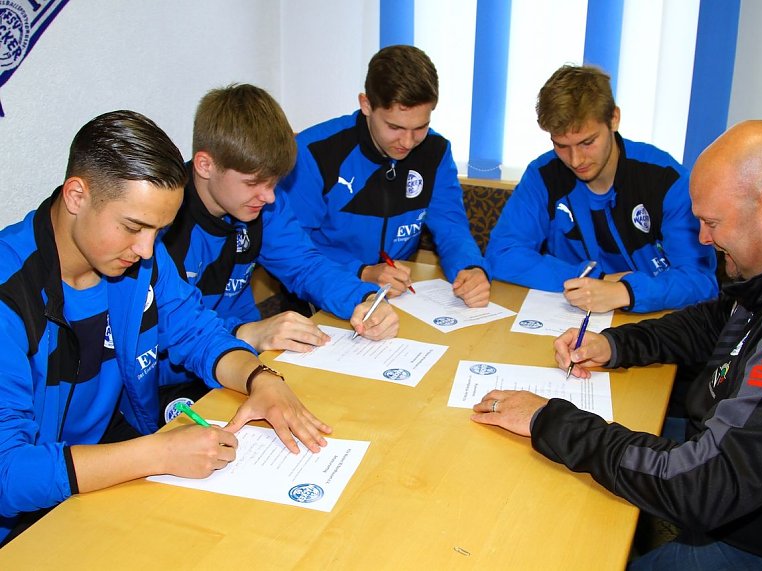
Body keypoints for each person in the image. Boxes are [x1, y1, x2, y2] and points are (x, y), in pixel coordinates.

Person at [471, 120, 762, 570]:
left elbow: (703, 484)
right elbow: (719, 319)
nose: (704, 239)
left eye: (712, 223)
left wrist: (546, 419)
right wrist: (617, 344)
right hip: (739, 466)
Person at [0, 111, 332, 545]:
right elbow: (9, 474)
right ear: (77, 195)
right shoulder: (11, 295)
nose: (144, 250)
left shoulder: (137, 260)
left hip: (107, 472)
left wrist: (259, 378)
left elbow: (196, 331)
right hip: (29, 521)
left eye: (159, 231)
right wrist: (158, 453)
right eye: (133, 227)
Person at [159, 84, 399, 413]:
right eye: (253, 183)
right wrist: (246, 332)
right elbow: (164, 337)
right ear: (205, 165)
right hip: (175, 379)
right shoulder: (161, 226)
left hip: (250, 361)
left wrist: (363, 299)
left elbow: (304, 264)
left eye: (273, 182)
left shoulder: (260, 205)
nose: (269, 196)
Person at [485, 65, 717, 313]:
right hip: (570, 318)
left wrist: (626, 291)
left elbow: (701, 281)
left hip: (652, 320)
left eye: (587, 142)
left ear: (613, 119)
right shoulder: (543, 175)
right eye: (561, 145)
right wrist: (595, 279)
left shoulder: (665, 179)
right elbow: (503, 253)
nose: (575, 160)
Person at [278, 45, 491, 307]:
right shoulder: (315, 153)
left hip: (398, 295)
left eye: (421, 126)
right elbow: (291, 246)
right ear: (366, 104)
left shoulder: (435, 151)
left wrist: (470, 267)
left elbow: (450, 225)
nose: (408, 141)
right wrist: (361, 271)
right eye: (394, 127)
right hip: (322, 293)